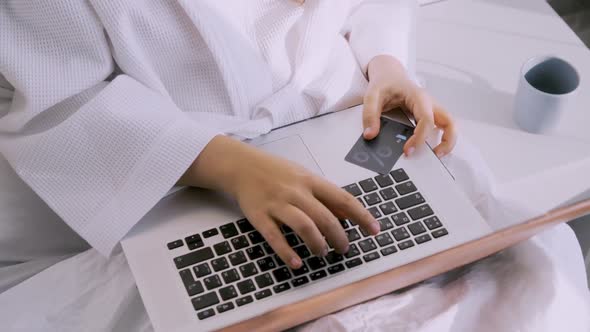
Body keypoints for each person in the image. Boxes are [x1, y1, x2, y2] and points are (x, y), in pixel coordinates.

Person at [0, 0, 455, 271]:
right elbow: (66, 98)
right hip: (192, 178)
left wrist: (386, 62)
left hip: (351, 122)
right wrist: (236, 168)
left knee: (481, 263)